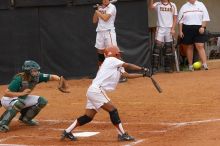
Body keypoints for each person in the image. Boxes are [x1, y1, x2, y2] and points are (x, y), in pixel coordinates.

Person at [60, 46, 150, 142]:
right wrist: (142, 68)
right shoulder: (111, 60)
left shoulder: (116, 64)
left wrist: (143, 75)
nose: (120, 54)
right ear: (114, 54)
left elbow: (126, 75)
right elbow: (127, 65)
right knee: (113, 110)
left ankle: (67, 131)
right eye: (118, 53)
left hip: (93, 90)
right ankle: (122, 134)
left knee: (88, 117)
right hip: (97, 90)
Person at [0, 60, 67, 132]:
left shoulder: (37, 77)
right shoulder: (19, 78)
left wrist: (60, 80)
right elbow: (6, 93)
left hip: (21, 98)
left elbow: (52, 77)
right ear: (28, 71)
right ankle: (2, 123)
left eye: (37, 70)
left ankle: (25, 118)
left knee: (42, 101)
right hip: (8, 100)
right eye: (34, 71)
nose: (37, 72)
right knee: (19, 103)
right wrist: (21, 94)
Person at [178, 0, 210, 71]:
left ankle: (205, 65)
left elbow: (205, 17)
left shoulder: (201, 5)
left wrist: (203, 27)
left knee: (200, 45)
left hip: (199, 28)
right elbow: (180, 21)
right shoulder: (184, 7)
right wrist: (180, 31)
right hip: (187, 28)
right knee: (189, 46)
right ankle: (190, 66)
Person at [149, 0, 178, 73]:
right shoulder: (158, 4)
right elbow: (151, 7)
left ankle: (168, 67)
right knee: (157, 48)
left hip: (169, 28)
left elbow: (175, 18)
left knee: (168, 48)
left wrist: (173, 28)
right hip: (160, 28)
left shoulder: (173, 5)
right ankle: (154, 68)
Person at [93, 0, 117, 66]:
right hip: (100, 32)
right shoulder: (100, 8)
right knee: (100, 53)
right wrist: (97, 10)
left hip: (108, 32)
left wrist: (97, 11)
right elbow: (94, 21)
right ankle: (101, 72)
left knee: (113, 53)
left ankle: (122, 72)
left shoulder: (112, 7)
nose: (105, 0)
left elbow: (105, 18)